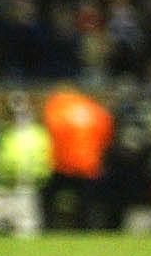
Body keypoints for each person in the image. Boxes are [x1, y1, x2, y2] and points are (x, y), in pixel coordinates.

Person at [42, 86, 113, 230]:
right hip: (89, 166)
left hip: (64, 166)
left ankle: (48, 227)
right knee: (87, 202)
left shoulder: (58, 109)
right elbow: (106, 138)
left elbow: (51, 133)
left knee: (48, 197)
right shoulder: (97, 112)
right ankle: (87, 229)